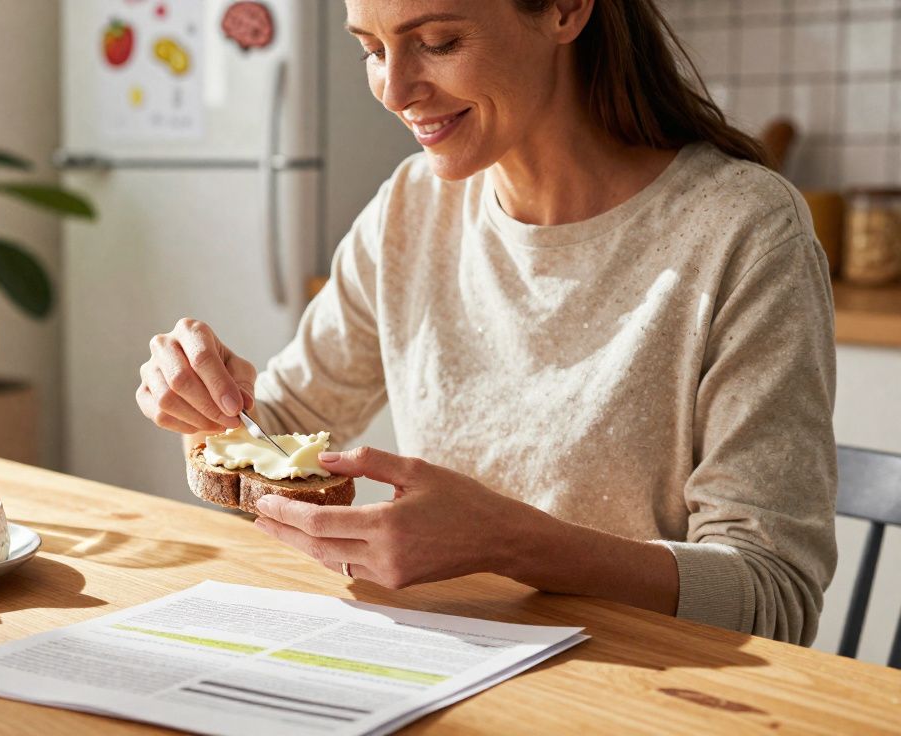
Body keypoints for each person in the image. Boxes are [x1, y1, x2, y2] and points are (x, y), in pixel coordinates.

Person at [135, 0, 836, 646]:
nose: (394, 89)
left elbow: (772, 596)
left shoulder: (743, 229)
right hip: (447, 670)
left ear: (565, 8)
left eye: (438, 42)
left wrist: (509, 542)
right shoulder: (411, 207)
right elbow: (280, 428)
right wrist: (209, 410)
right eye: (372, 50)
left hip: (649, 696)